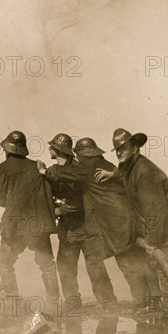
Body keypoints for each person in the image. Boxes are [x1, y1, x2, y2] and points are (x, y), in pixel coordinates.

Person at [39, 137, 161, 308]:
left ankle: (118, 303)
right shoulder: (97, 165)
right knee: (70, 267)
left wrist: (46, 176)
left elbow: (71, 187)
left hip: (99, 226)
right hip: (83, 227)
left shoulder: (82, 168)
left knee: (104, 265)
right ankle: (78, 303)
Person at [95, 128, 168, 308]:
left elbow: (155, 211)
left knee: (162, 261)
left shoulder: (145, 172)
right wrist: (113, 175)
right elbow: (126, 177)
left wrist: (152, 242)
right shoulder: (131, 167)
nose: (119, 152)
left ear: (135, 148)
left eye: (124, 148)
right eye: (117, 149)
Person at [42, 133, 118, 310]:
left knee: (94, 266)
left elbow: (78, 203)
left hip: (86, 227)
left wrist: (59, 209)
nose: (49, 149)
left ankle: (108, 303)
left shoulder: (78, 169)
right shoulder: (53, 171)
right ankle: (73, 303)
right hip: (68, 229)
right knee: (65, 267)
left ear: (58, 150)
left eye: (52, 146)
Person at [0, 131, 60, 301]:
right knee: (47, 265)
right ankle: (54, 301)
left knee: (5, 262)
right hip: (38, 224)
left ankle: (13, 300)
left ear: (8, 148)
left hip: (15, 225)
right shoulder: (37, 166)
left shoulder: (3, 168)